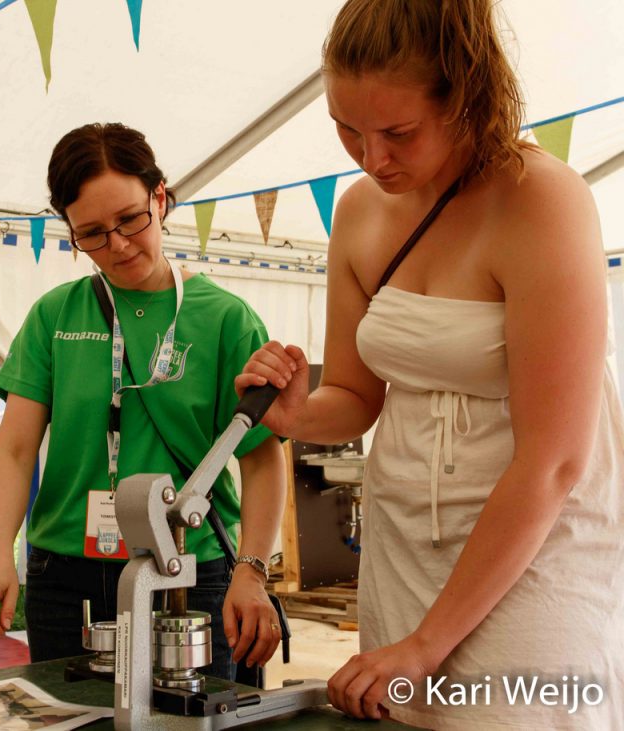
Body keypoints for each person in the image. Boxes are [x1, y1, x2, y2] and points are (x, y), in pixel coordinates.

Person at [237, 0, 624, 727]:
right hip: (406, 541)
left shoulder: (541, 200)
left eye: (398, 133)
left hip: (536, 550)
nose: (373, 157)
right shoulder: (358, 211)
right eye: (347, 130)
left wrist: (426, 645)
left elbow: (553, 462)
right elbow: (355, 393)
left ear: (468, 93)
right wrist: (298, 412)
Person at [0, 122, 285, 680]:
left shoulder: (225, 320)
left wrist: (252, 572)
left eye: (130, 220)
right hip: (66, 578)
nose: (117, 246)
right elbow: (14, 451)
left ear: (160, 198)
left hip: (191, 569)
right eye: (91, 233)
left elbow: (261, 457)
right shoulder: (55, 316)